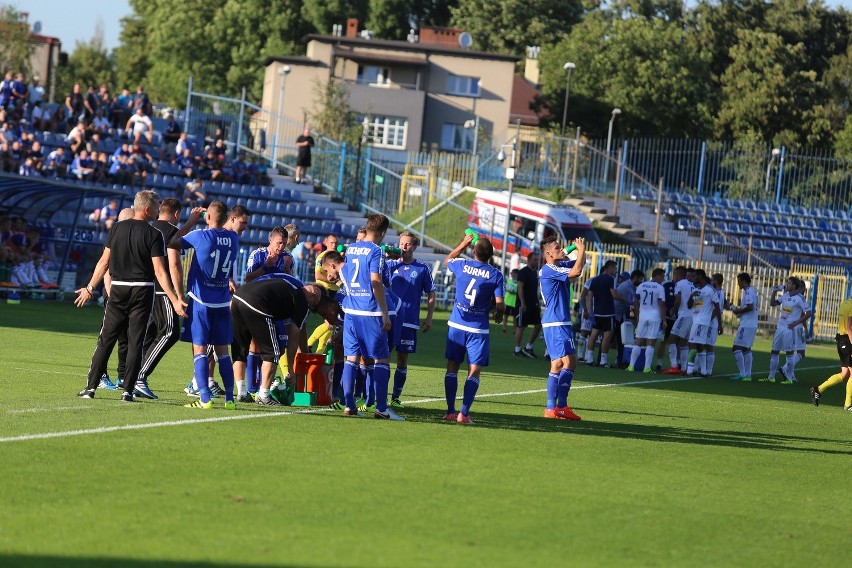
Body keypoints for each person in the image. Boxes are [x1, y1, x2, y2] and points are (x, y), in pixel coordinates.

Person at [75, 190, 187, 401]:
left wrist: (90, 287)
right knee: (136, 341)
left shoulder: (117, 228)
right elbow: (160, 272)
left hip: (117, 289)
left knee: (105, 340)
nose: (158, 210)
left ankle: (90, 388)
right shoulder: (155, 235)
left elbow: (103, 262)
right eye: (156, 206)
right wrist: (174, 300)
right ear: (147, 209)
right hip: (142, 291)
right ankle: (128, 391)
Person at [169, 201, 240, 409]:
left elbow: (172, 242)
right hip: (222, 302)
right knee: (223, 352)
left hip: (201, 302)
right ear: (226, 218)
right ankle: (229, 398)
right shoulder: (234, 239)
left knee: (199, 350)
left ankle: (205, 398)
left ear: (207, 217)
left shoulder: (200, 236)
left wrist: (191, 221)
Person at [231, 275, 341, 406]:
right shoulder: (302, 301)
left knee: (240, 349)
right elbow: (294, 337)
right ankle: (263, 395)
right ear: (314, 296)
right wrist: (290, 368)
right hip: (257, 302)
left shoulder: (292, 287)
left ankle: (241, 393)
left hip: (237, 297)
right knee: (273, 353)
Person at [338, 213, 403, 420]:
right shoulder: (376, 251)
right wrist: (385, 313)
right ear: (383, 233)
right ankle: (382, 409)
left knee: (352, 359)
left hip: (351, 311)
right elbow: (376, 282)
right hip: (369, 311)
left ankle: (349, 405)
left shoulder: (351, 248)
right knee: (381, 358)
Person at [442, 233, 504, 424]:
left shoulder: (462, 265)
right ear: (491, 255)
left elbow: (447, 260)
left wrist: (463, 243)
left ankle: (450, 411)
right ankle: (464, 413)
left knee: (452, 368)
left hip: (457, 325)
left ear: (474, 251)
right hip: (478, 329)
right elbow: (500, 303)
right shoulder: (495, 275)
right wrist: (498, 315)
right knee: (474, 371)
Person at [134, 197, 185, 398]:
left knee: (150, 334)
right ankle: (140, 377)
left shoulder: (152, 227)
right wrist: (178, 296)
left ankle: (130, 377)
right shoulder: (171, 232)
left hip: (148, 287)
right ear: (176, 214)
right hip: (164, 290)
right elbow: (174, 265)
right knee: (170, 333)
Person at [386, 230, 436, 407]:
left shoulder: (422, 268)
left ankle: (396, 397)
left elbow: (431, 293)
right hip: (390, 318)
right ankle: (378, 394)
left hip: (409, 321)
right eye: (401, 244)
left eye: (407, 244)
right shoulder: (390, 265)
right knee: (383, 356)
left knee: (402, 359)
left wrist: (429, 317)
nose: (403, 247)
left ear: (414, 246)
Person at [539, 237, 586, 420]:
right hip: (556, 321)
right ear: (548, 253)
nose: (561, 249)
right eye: (556, 248)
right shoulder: (549, 269)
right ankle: (561, 406)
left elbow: (578, 264)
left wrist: (573, 251)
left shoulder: (557, 266)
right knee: (570, 362)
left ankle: (552, 409)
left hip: (557, 321)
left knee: (558, 364)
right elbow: (577, 271)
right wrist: (580, 249)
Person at [765, 277, 812, 384]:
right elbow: (773, 304)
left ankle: (789, 378)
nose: (786, 284)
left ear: (794, 286)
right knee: (774, 351)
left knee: (789, 353)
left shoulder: (800, 298)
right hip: (780, 327)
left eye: (789, 283)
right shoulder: (785, 296)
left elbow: (808, 313)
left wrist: (797, 322)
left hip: (789, 329)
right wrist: (774, 292)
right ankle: (771, 377)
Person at [811, 296, 852, 409]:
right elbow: (849, 327)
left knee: (845, 374)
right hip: (847, 341)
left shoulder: (845, 303)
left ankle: (818, 389)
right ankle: (848, 404)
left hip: (841, 340)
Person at [584, 260, 623, 367]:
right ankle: (603, 361)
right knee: (607, 336)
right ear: (609, 267)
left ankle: (589, 359)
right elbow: (614, 295)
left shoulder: (594, 279)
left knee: (593, 335)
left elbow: (589, 296)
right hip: (608, 313)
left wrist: (590, 311)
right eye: (614, 268)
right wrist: (625, 301)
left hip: (596, 313)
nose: (615, 271)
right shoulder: (611, 279)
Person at [627, 268, 666, 373]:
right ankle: (647, 368)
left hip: (643, 317)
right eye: (662, 276)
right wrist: (664, 320)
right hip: (654, 317)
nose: (663, 279)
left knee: (638, 341)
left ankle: (631, 366)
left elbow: (635, 301)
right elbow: (661, 304)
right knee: (651, 342)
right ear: (657, 276)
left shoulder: (642, 285)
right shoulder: (660, 287)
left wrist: (637, 315)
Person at [685, 269, 720, 378]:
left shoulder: (710, 290)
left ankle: (690, 370)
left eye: (694, 276)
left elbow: (717, 307)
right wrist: (691, 296)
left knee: (692, 344)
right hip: (697, 320)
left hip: (702, 321)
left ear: (700, 276)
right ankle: (704, 371)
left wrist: (720, 324)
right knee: (700, 346)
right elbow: (689, 306)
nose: (693, 278)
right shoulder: (696, 290)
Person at [662, 266, 693, 375]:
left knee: (671, 339)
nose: (674, 277)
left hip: (683, 316)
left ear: (679, 275)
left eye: (675, 274)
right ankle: (684, 368)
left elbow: (678, 299)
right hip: (692, 317)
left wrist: (673, 310)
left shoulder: (679, 284)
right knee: (684, 343)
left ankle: (674, 366)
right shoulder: (692, 285)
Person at [730, 272, 759, 382]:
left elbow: (750, 307)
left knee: (736, 348)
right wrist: (737, 310)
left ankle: (742, 374)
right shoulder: (753, 291)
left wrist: (738, 311)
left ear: (744, 281)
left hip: (747, 325)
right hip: (751, 324)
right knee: (746, 349)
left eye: (739, 281)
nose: (738, 284)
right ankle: (748, 375)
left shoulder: (748, 292)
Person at [513, 251, 542, 358]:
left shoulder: (535, 273)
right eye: (535, 260)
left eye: (537, 260)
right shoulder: (523, 272)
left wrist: (538, 303)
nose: (536, 262)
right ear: (529, 260)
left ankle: (528, 347)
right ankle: (517, 349)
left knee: (538, 325)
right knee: (521, 326)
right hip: (524, 304)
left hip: (533, 304)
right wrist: (522, 303)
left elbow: (536, 290)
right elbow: (520, 288)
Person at [614, 270, 644, 367]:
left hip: (620, 314)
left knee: (620, 339)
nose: (640, 281)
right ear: (635, 277)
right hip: (616, 314)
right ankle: (606, 360)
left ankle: (620, 361)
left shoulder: (630, 286)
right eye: (640, 279)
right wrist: (637, 317)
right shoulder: (627, 287)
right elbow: (631, 304)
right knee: (614, 338)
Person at [502, 268, 519, 333]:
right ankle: (504, 327)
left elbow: (517, 291)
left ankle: (515, 330)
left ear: (516, 274)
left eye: (512, 273)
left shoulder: (518, 283)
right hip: (507, 301)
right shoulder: (508, 281)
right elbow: (506, 288)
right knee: (505, 315)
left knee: (515, 317)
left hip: (514, 302)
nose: (511, 274)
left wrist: (514, 290)